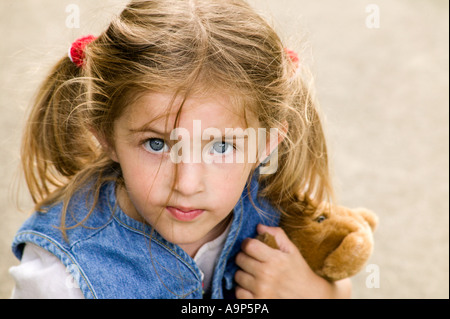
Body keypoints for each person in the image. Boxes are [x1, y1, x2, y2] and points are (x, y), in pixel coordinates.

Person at [10, 0, 351, 299]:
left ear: (266, 144)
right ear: (106, 136)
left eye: (221, 146)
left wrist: (318, 293)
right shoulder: (61, 277)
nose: (187, 184)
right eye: (156, 144)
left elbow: (339, 283)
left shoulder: (279, 205)